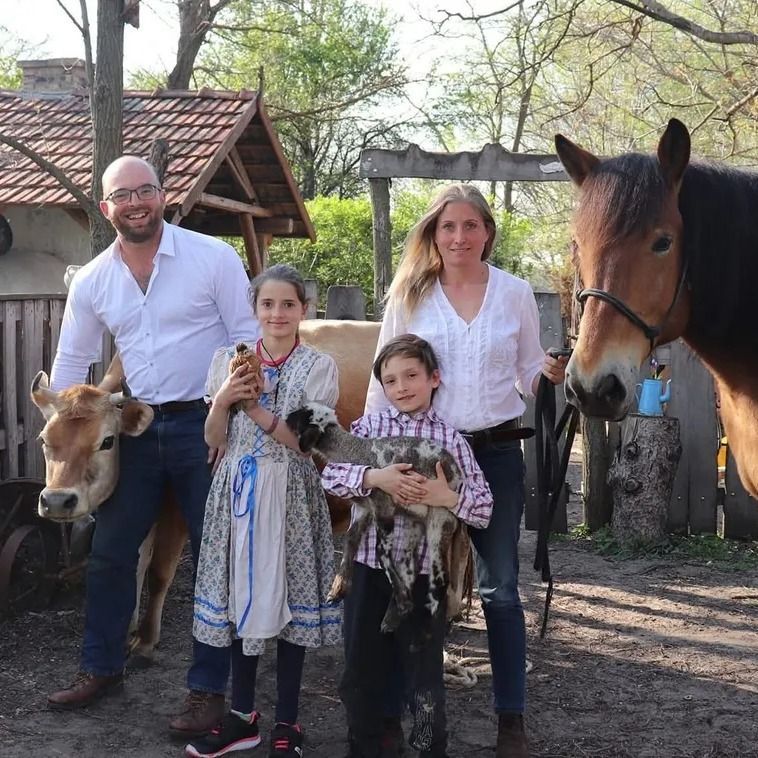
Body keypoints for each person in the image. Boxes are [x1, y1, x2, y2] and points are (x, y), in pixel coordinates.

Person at [47, 156, 259, 739]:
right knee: (111, 552)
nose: (135, 203)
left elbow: (248, 341)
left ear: (164, 196)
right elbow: (72, 362)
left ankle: (208, 689)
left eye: (145, 191)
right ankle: (101, 668)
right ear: (106, 206)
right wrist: (64, 423)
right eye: (122, 195)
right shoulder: (94, 280)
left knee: (215, 558)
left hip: (207, 425)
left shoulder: (212, 258)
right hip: (135, 428)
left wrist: (231, 416)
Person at [364, 185, 568, 758]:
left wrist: (548, 374)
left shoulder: (515, 293)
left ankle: (511, 720)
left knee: (501, 587)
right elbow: (383, 381)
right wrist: (377, 461)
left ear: (487, 232)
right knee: (409, 584)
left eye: (470, 225)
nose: (459, 237)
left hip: (496, 456)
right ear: (434, 233)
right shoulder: (410, 294)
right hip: (424, 456)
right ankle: (391, 713)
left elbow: (527, 372)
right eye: (448, 227)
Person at [187, 264, 341, 758]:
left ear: (304, 309)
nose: (277, 314)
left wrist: (254, 409)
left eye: (288, 304)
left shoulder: (318, 367)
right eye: (267, 304)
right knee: (240, 600)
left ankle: (288, 721)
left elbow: (305, 444)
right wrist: (223, 401)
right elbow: (214, 439)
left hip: (291, 492)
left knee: (293, 602)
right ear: (254, 309)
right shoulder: (226, 362)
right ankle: (242, 716)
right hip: (238, 491)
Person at [322, 334, 493, 758]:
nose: (401, 387)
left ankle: (432, 749)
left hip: (423, 578)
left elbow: (484, 509)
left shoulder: (451, 440)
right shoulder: (367, 430)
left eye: (411, 375)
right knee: (360, 671)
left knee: (423, 677)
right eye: (391, 380)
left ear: (434, 378)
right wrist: (374, 478)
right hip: (368, 570)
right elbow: (330, 477)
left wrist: (446, 497)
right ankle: (366, 747)